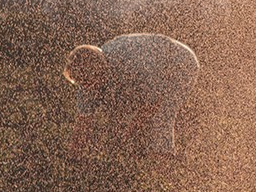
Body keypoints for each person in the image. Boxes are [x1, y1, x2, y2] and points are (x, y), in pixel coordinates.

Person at [64, 33, 200, 157]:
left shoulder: (130, 64)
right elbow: (83, 123)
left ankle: (163, 166)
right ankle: (140, 155)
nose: (87, 87)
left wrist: (129, 134)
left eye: (88, 81)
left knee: (161, 118)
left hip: (179, 62)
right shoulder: (86, 81)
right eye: (81, 82)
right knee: (123, 118)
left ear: (98, 70)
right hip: (152, 69)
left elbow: (154, 102)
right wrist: (72, 157)